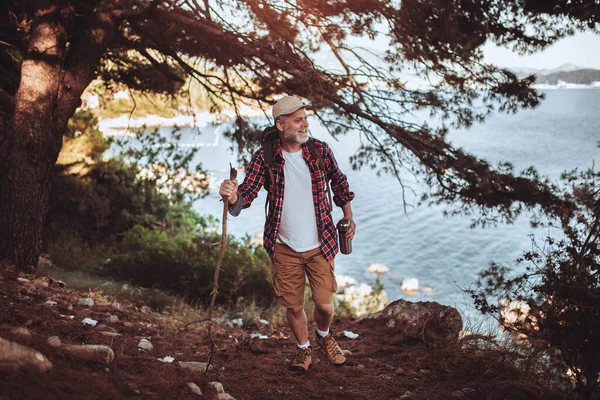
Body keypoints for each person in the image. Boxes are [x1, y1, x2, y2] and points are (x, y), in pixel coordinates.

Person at [219, 96, 356, 372]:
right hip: (283, 246)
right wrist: (232, 196)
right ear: (281, 125)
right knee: (293, 308)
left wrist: (348, 216)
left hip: (321, 243)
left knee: (324, 306)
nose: (305, 124)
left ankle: (324, 336)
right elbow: (248, 193)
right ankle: (304, 350)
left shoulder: (320, 151)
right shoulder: (266, 157)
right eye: (298, 120)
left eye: (305, 118)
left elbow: (340, 183)